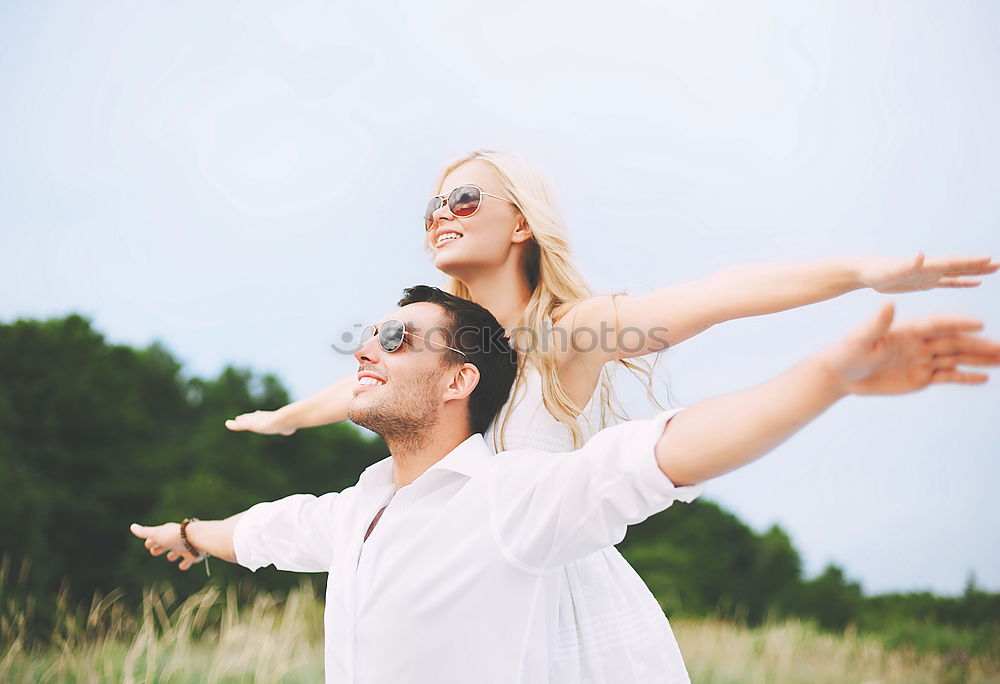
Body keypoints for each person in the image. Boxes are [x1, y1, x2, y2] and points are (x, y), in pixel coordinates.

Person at [225, 152, 998, 681]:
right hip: (457, 596)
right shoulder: (435, 347)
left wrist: (862, 274)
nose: (440, 214)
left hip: (554, 599)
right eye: (431, 204)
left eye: (464, 199)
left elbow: (718, 294)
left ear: (521, 223)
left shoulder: (568, 330)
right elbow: (352, 394)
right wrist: (285, 417)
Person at [133, 285, 1000, 684]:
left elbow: (670, 450)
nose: (366, 347)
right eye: (368, 333)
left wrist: (827, 377)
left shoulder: (513, 502)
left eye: (397, 338)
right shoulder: (356, 511)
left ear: (457, 382)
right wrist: (186, 532)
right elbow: (260, 531)